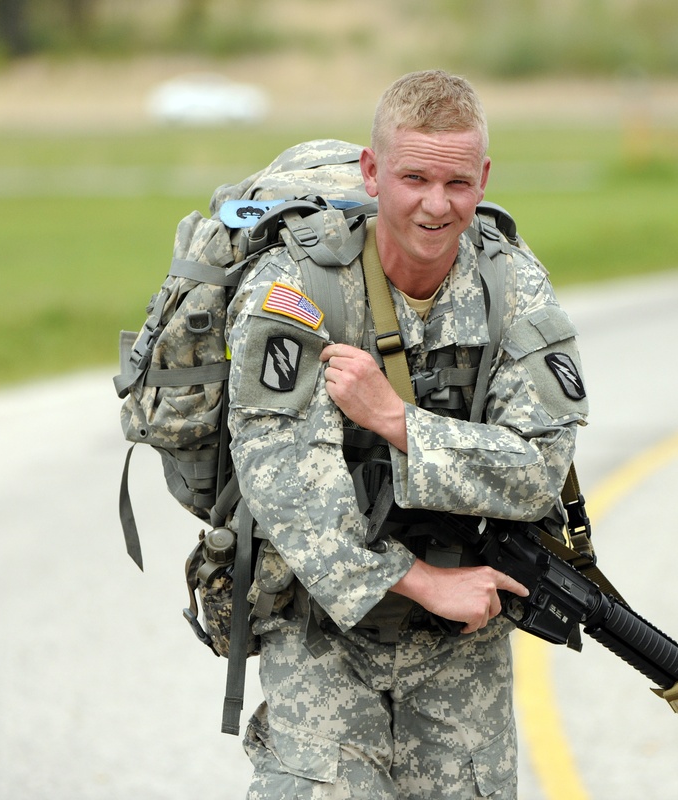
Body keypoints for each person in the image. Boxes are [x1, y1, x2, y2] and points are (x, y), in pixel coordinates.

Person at [226, 69, 588, 799]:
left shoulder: (513, 287)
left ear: (482, 179)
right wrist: (422, 583)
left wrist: (395, 422)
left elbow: (536, 471)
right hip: (321, 624)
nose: (435, 204)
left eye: (457, 183)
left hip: (464, 643)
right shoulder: (295, 290)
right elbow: (285, 481)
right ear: (372, 171)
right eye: (413, 177)